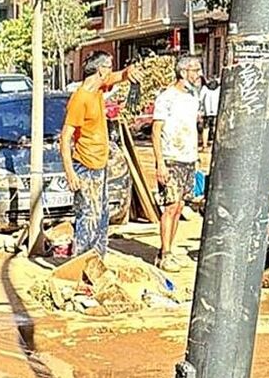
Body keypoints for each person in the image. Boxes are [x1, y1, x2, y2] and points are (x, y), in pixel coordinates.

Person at [60, 51, 141, 257]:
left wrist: (127, 72)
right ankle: (82, 265)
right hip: (85, 167)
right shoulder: (81, 98)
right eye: (109, 66)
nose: (111, 71)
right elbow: (65, 137)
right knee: (89, 216)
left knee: (102, 215)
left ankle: (97, 261)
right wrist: (70, 173)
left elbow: (117, 77)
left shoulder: (97, 89)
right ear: (101, 70)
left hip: (99, 164)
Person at [151, 55, 203, 273]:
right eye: (195, 70)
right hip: (171, 159)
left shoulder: (192, 97)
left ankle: (168, 249)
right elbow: (156, 131)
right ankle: (165, 253)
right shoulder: (166, 98)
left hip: (188, 159)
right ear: (183, 73)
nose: (199, 74)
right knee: (170, 207)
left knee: (180, 206)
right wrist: (160, 163)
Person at [199, 76, 220, 148]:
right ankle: (214, 143)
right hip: (216, 111)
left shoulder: (205, 88)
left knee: (206, 128)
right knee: (215, 127)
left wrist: (200, 109)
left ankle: (205, 144)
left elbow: (200, 99)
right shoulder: (219, 88)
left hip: (207, 111)